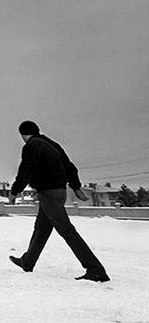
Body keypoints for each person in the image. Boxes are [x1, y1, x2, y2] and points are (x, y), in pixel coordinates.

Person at [8, 120, 110, 282]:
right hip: (59, 191)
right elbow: (69, 166)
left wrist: (14, 191)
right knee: (41, 228)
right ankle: (28, 261)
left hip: (48, 193)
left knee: (67, 230)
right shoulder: (52, 144)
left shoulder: (31, 146)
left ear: (23, 134)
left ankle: (95, 269)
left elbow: (25, 170)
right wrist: (75, 187)